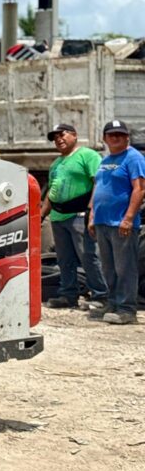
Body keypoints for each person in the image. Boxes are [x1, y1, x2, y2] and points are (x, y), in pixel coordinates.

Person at [42, 123, 107, 310]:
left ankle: (101, 296)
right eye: (55, 138)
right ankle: (68, 295)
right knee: (64, 259)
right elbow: (52, 192)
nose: (59, 139)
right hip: (58, 217)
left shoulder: (88, 156)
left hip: (79, 215)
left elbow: (99, 183)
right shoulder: (56, 164)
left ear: (75, 136)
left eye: (62, 134)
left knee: (88, 255)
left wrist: (91, 211)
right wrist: (41, 215)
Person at [88, 119, 145, 325]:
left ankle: (127, 309)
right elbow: (98, 188)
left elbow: (139, 189)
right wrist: (92, 216)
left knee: (125, 268)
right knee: (109, 268)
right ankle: (112, 303)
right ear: (104, 138)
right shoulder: (105, 160)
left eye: (120, 134)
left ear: (127, 137)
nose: (116, 138)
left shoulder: (133, 158)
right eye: (111, 135)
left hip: (121, 223)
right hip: (103, 222)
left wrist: (128, 218)